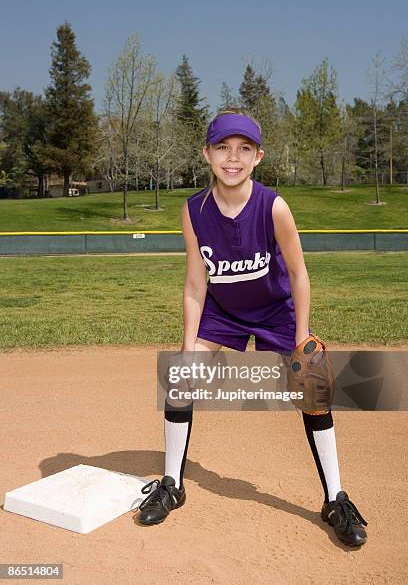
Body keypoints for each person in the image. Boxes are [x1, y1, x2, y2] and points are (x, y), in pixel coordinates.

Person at [137, 110, 367, 547]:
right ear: (206, 153)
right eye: (222, 147)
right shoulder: (194, 211)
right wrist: (188, 346)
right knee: (180, 380)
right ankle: (172, 484)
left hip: (275, 310)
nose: (232, 157)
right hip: (222, 312)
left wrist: (301, 337)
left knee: (313, 384)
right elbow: (194, 281)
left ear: (258, 157)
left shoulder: (273, 206)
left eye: (243, 149)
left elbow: (299, 274)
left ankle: (336, 498)